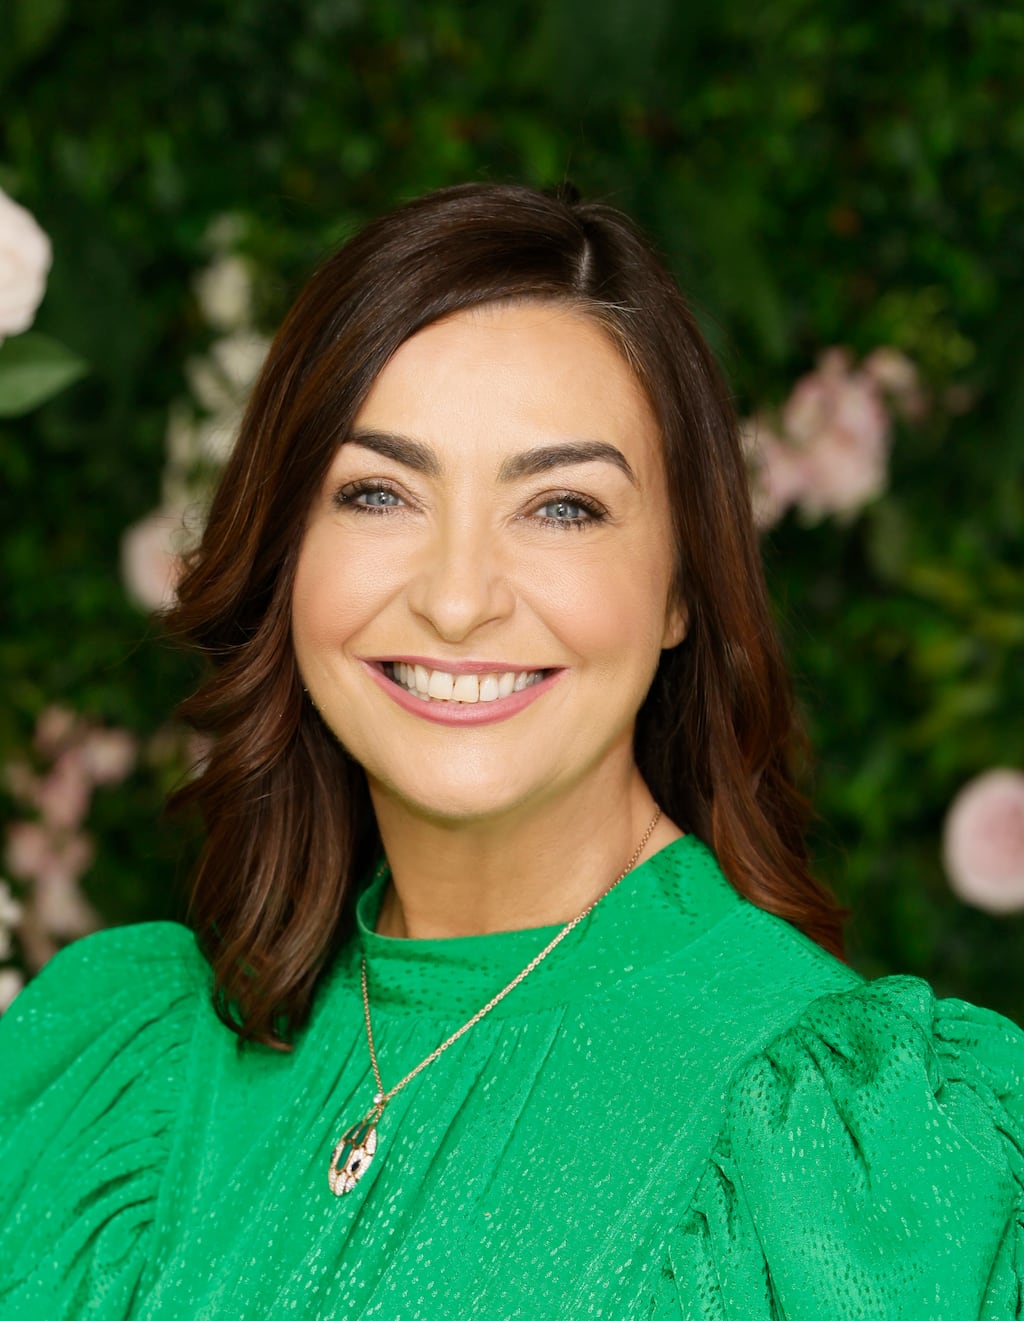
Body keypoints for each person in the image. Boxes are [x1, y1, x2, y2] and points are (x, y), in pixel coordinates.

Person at [1, 182, 1021, 1320]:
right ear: (286, 548)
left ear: (683, 583)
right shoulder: (120, 1067)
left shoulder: (850, 1151)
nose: (454, 599)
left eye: (562, 507)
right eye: (378, 492)